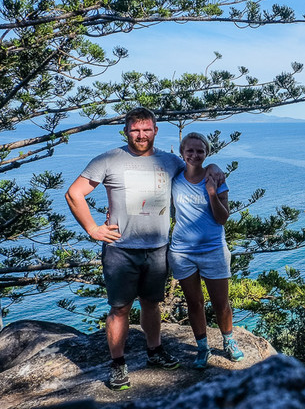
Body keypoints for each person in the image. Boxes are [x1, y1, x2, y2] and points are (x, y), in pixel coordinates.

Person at [65, 107, 223, 391]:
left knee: (152, 303)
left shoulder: (170, 161)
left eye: (146, 129)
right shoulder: (109, 160)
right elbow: (74, 193)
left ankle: (154, 351)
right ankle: (117, 364)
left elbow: (197, 167)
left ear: (155, 131)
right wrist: (92, 229)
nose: (141, 135)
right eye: (135, 130)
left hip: (158, 248)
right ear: (126, 131)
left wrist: (213, 168)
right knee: (120, 308)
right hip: (121, 249)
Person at [168, 132, 243, 368]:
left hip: (213, 250)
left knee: (221, 303)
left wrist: (211, 193)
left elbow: (222, 218)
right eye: (189, 151)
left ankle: (228, 342)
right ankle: (202, 348)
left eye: (200, 151)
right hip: (182, 252)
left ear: (206, 153)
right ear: (182, 153)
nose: (194, 155)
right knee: (194, 302)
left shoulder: (217, 179)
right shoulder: (174, 179)